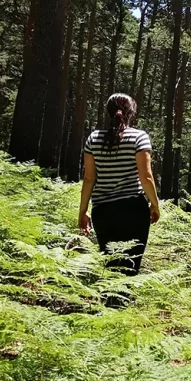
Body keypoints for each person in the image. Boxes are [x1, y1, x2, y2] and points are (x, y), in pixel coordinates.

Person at [78, 93, 160, 274]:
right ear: (131, 113)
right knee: (130, 268)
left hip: (103, 212)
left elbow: (89, 178)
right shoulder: (139, 137)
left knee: (110, 269)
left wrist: (83, 212)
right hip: (133, 211)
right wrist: (154, 205)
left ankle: (109, 303)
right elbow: (146, 177)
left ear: (108, 112)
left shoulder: (94, 138)